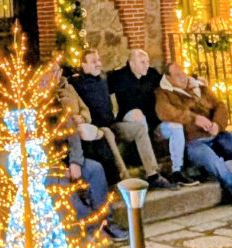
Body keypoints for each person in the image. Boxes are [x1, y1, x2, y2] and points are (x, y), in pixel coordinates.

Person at [155, 54, 232, 205]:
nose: (183, 76)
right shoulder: (163, 93)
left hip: (216, 134)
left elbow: (220, 106)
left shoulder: (198, 87)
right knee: (211, 159)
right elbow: (166, 113)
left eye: (183, 72)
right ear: (168, 78)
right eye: (178, 75)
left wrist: (217, 125)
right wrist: (193, 118)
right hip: (193, 141)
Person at [65, 49, 167, 182]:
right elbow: (68, 94)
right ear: (83, 65)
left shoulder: (103, 79)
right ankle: (125, 178)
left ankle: (152, 174)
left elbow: (122, 77)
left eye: (98, 60)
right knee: (108, 133)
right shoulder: (76, 83)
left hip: (112, 124)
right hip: (97, 127)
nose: (98, 64)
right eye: (93, 61)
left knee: (139, 128)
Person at [109, 47, 187, 179]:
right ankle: (150, 168)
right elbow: (103, 92)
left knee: (176, 126)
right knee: (138, 114)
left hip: (153, 122)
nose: (146, 65)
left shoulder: (152, 74)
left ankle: (177, 170)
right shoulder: (118, 76)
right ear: (132, 63)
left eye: (147, 61)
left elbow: (169, 83)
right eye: (142, 62)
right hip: (130, 121)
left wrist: (192, 81)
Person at [61, 130, 126, 242]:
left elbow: (73, 135)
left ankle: (106, 223)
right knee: (63, 186)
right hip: (46, 169)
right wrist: (57, 169)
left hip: (68, 161)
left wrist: (75, 162)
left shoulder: (63, 119)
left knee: (95, 169)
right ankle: (92, 227)